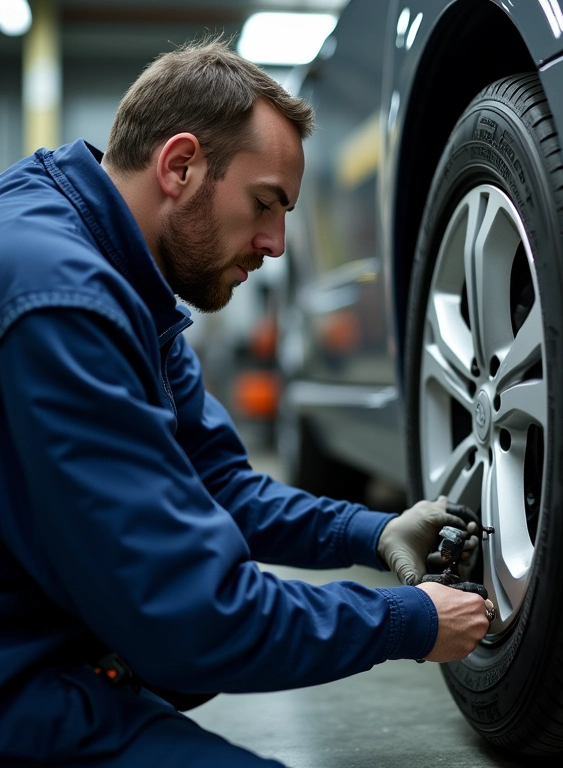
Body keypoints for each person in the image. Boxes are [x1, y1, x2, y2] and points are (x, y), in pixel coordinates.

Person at [0, 37, 494, 767]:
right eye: (265, 204)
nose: (276, 244)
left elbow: (218, 486)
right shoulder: (63, 300)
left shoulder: (118, 266)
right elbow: (191, 616)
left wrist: (372, 529)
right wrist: (405, 622)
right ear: (180, 166)